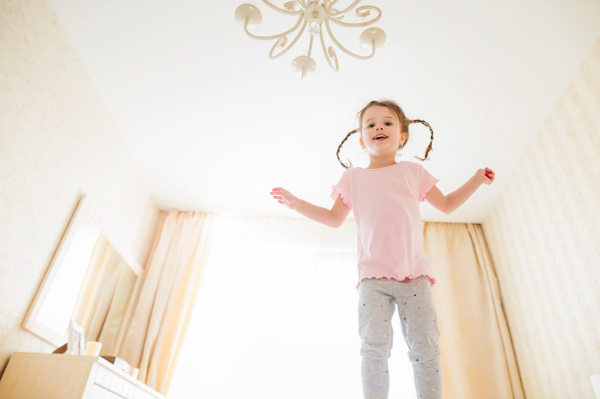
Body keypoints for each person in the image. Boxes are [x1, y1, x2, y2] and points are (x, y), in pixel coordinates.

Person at [270, 99, 495, 399]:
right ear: (361, 137)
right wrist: (296, 203)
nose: (379, 127)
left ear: (402, 135)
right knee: (373, 349)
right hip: (372, 281)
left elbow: (448, 205)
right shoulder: (353, 178)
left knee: (425, 348)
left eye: (388, 122)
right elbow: (334, 219)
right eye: (371, 123)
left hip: (414, 276)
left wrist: (477, 179)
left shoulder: (414, 172)